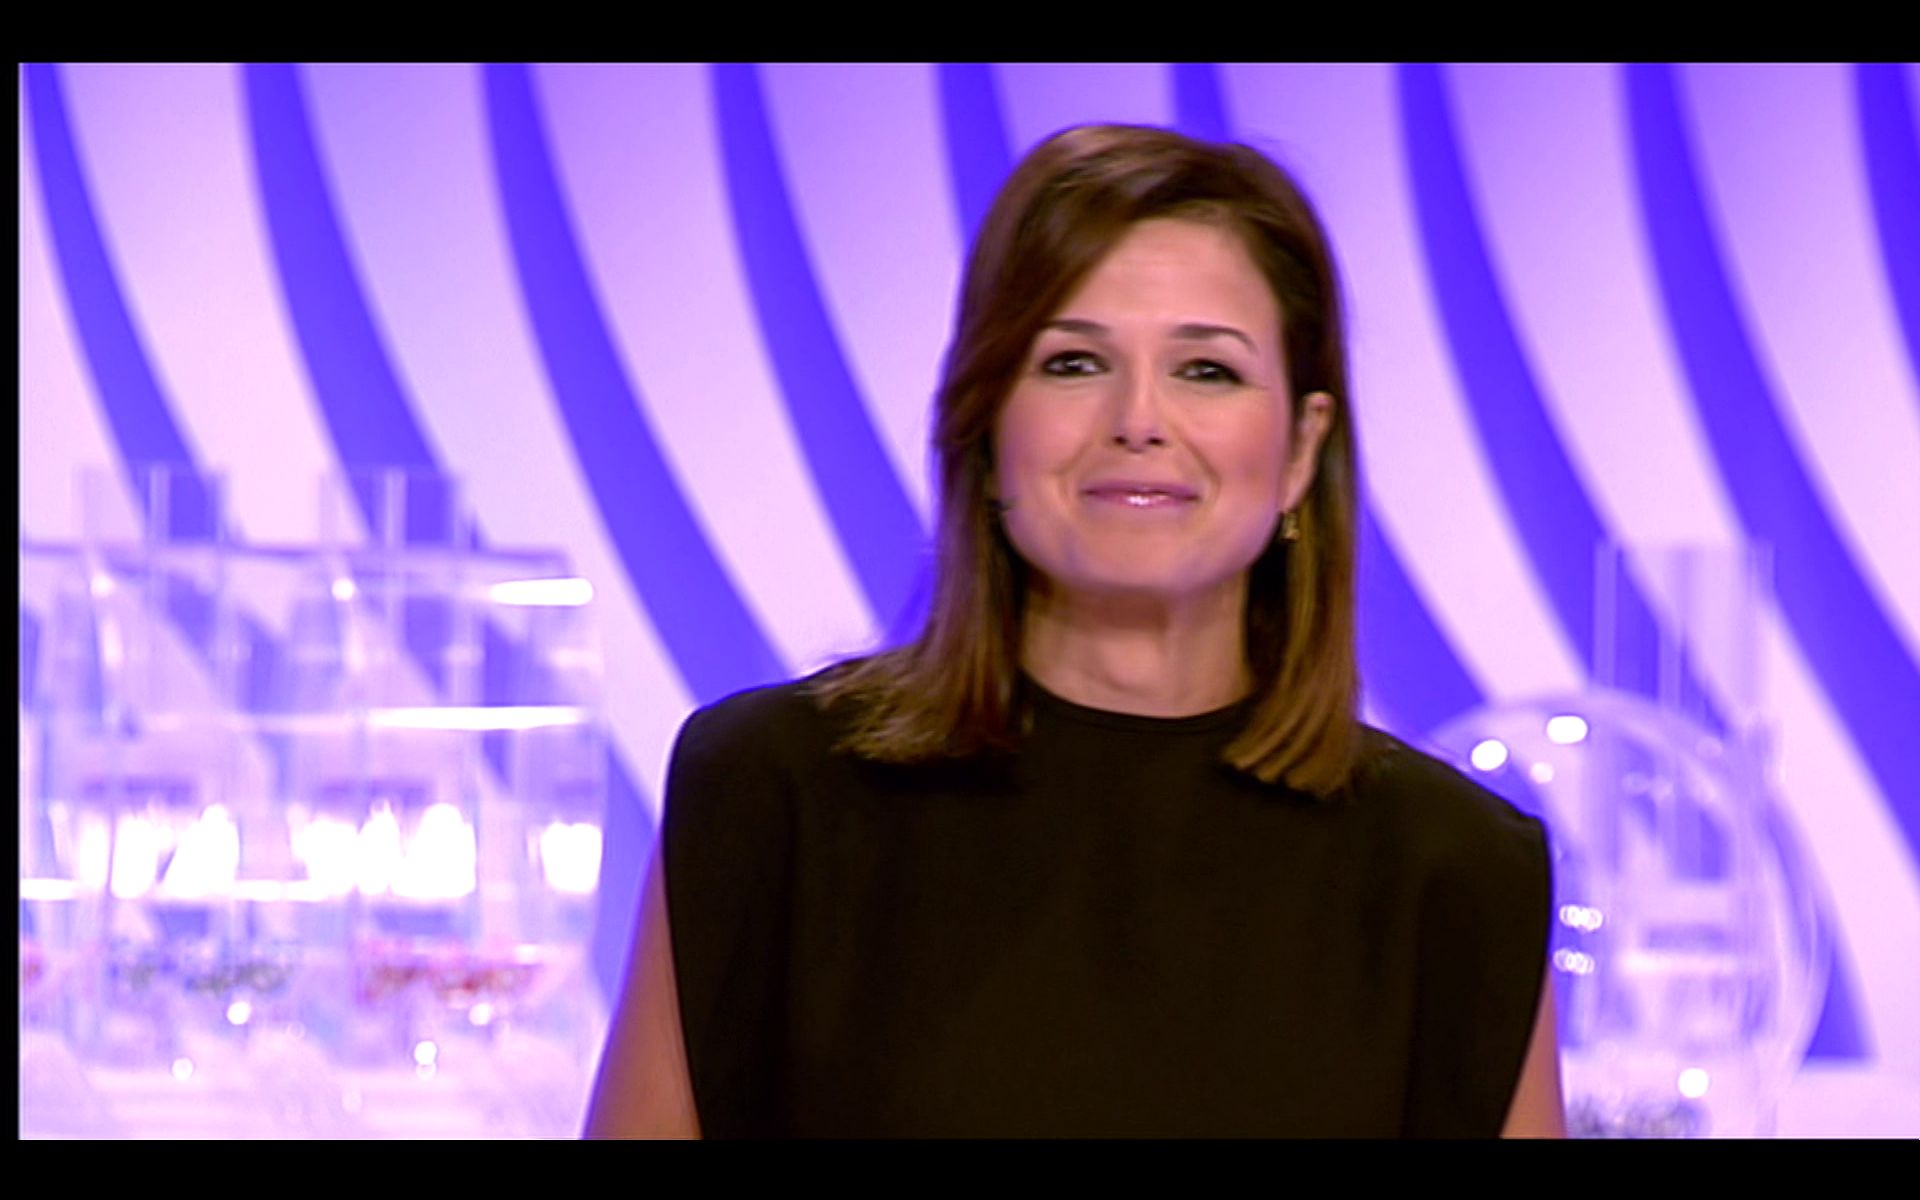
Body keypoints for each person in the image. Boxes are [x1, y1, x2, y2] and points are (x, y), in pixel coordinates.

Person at [584, 123, 1564, 1138]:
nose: (1138, 419)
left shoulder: (1457, 873)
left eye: (1206, 371)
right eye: (1074, 362)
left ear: (1300, 450)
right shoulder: (769, 791)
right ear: (985, 422)